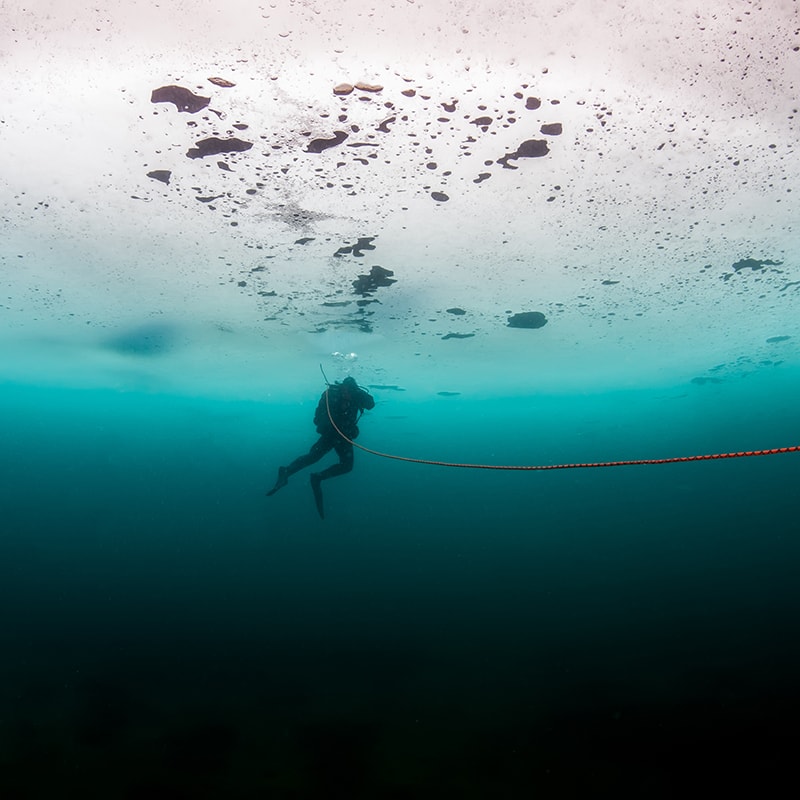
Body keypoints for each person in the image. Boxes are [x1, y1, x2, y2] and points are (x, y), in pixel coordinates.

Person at [266, 377, 375, 519]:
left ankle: (317, 477)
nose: (346, 394)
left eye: (349, 392)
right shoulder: (331, 396)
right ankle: (286, 472)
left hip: (344, 436)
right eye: (344, 391)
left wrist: (358, 394)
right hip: (330, 434)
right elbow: (317, 419)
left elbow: (370, 404)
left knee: (346, 466)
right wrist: (330, 424)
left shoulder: (356, 396)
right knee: (313, 457)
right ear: (341, 388)